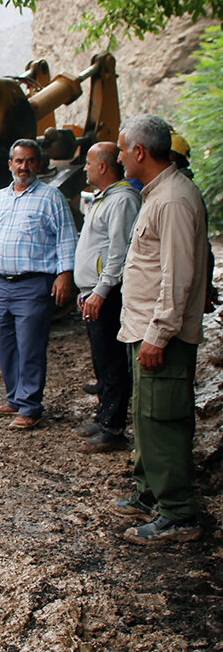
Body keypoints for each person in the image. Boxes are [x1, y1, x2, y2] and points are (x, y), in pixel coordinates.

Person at [111, 115, 211, 544]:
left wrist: (157, 334)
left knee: (163, 420)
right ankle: (151, 494)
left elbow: (178, 277)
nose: (117, 157)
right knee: (146, 418)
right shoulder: (159, 194)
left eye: (120, 150)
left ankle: (178, 515)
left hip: (159, 337)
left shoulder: (171, 200)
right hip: (145, 331)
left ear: (139, 153)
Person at [0, 139, 78, 429]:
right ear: (10, 164)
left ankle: (29, 408)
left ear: (38, 165)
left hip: (34, 284)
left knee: (30, 347)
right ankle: (14, 399)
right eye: (19, 161)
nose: (24, 166)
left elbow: (67, 238)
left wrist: (65, 274)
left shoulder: (51, 197)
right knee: (6, 346)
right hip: (4, 285)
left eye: (30, 161)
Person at [72, 141, 141, 452]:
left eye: (88, 162)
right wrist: (86, 290)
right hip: (95, 292)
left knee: (112, 360)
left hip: (108, 294)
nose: (84, 168)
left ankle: (113, 429)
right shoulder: (105, 198)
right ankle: (104, 417)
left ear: (102, 166)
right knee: (101, 359)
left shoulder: (123, 201)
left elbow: (118, 254)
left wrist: (99, 292)